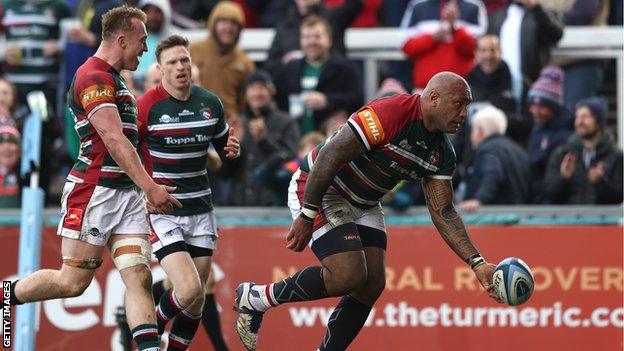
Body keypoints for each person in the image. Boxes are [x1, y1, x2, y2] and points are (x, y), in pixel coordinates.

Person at [234, 72, 499, 351]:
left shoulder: (443, 153)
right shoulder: (391, 112)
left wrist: (477, 262)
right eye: (459, 104)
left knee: (372, 284)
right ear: (433, 98)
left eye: (467, 106)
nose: (464, 113)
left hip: (365, 201)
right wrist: (307, 214)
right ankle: (256, 297)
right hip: (322, 188)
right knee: (348, 275)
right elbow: (330, 154)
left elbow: (443, 211)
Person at [8, 6, 182, 351]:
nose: (146, 49)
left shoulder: (117, 80)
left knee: (139, 276)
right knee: (73, 283)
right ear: (122, 39)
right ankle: (6, 294)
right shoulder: (93, 76)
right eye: (142, 41)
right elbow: (114, 139)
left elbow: (133, 138)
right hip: (95, 192)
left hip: (128, 194)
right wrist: (150, 186)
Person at [137, 34, 240, 350]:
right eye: (173, 62)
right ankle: (148, 331)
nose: (180, 67)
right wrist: (144, 191)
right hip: (165, 212)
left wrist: (232, 150)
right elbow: (122, 153)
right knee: (187, 288)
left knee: (196, 300)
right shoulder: (145, 108)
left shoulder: (210, 103)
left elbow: (224, 151)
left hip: (202, 210)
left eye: (185, 60)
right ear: (160, 68)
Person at [219, 69, 300, 206]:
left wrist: (264, 142)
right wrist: (231, 152)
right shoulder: (238, 123)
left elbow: (292, 163)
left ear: (271, 92)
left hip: (273, 206)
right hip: (239, 206)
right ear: (245, 94)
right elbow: (224, 173)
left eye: (261, 88)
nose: (257, 93)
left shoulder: (286, 122)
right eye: (252, 88)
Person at [273, 15, 363, 135]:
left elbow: (358, 100)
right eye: (307, 37)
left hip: (330, 142)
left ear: (329, 40)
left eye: (317, 36)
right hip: (295, 142)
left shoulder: (345, 69)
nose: (311, 42)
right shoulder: (290, 69)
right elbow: (279, 103)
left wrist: (327, 101)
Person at [543, 96, 623, 204]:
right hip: (569, 219)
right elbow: (549, 194)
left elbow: (619, 197)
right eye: (577, 117)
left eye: (585, 116)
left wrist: (600, 182)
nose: (579, 122)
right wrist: (563, 177)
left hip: (602, 220)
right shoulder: (561, 153)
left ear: (599, 121)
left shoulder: (615, 156)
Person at [189, 1, 255, 121]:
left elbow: (246, 102)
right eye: (224, 22)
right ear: (213, 24)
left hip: (230, 124)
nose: (229, 28)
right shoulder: (193, 50)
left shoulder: (245, 62)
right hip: (195, 119)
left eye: (234, 24)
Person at [400, 0, 487, 90]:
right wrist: (432, 38)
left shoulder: (474, 6)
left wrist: (455, 28)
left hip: (462, 91)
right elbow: (406, 47)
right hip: (425, 90)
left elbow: (477, 50)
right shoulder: (417, 6)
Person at [458, 105, 531, 211]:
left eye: (472, 130)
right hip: (522, 215)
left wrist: (478, 200)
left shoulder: (487, 150)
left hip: (495, 217)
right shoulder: (518, 150)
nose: (471, 137)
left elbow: (493, 174)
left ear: (480, 131)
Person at [526, 65, 572, 203]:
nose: (536, 111)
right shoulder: (537, 129)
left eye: (542, 107)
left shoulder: (565, 136)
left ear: (554, 108)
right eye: (533, 106)